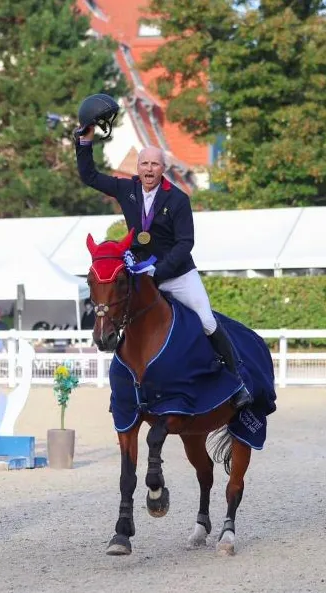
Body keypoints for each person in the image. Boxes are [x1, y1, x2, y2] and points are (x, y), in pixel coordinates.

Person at [73, 96, 253, 409]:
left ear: (163, 169)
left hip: (177, 273)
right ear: (138, 167)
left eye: (155, 164)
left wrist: (162, 270)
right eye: (144, 164)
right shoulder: (125, 188)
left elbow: (186, 244)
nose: (149, 169)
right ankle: (131, 384)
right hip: (141, 273)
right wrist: (85, 140)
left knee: (207, 320)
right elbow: (89, 176)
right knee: (119, 314)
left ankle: (237, 382)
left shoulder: (178, 199)